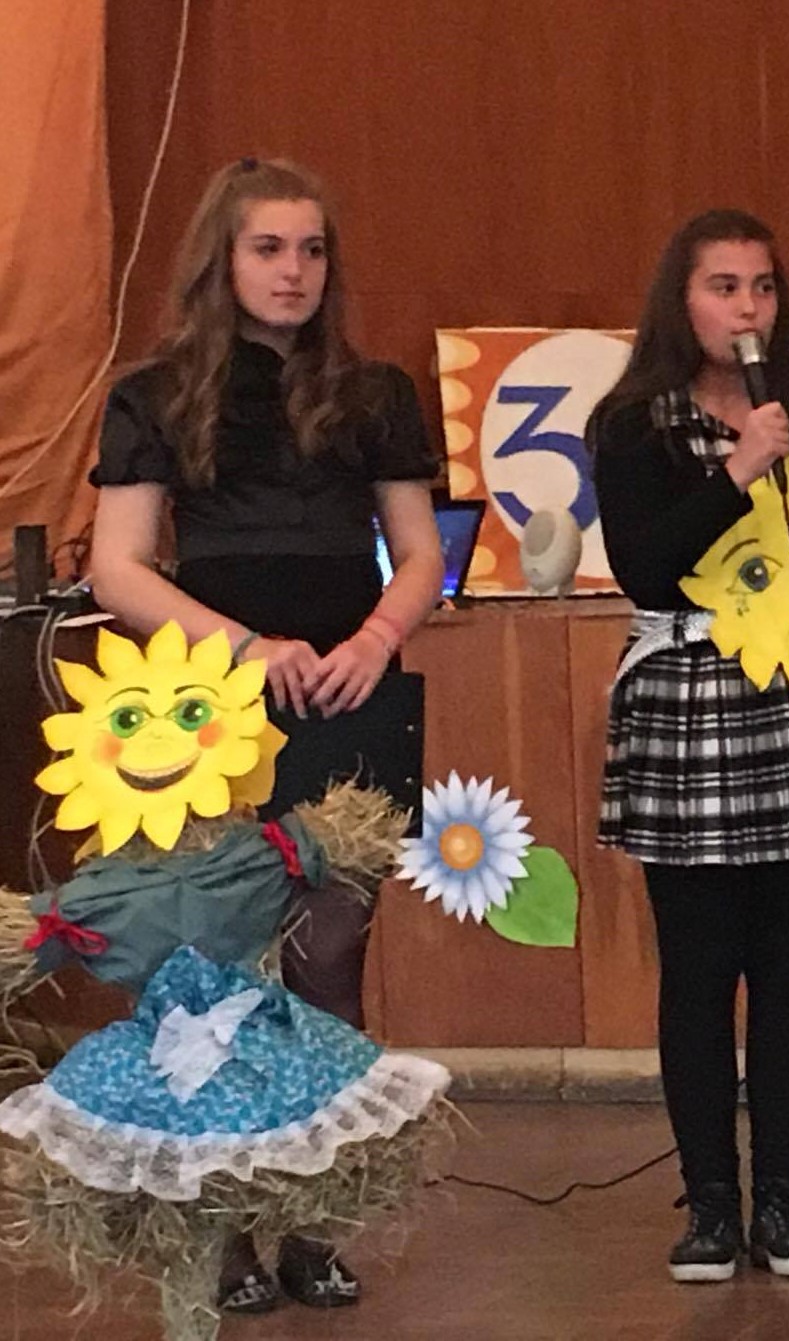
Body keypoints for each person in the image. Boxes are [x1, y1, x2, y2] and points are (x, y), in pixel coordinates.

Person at [86, 156, 444, 1311]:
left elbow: (420, 552)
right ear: (222, 260)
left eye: (312, 250)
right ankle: (224, 1231)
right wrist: (243, 648)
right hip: (212, 709)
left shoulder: (375, 393)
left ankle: (311, 1223)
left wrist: (375, 639)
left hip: (347, 693)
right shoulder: (154, 394)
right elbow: (117, 568)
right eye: (268, 249)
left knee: (329, 961)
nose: (294, 271)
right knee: (218, 970)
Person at [586, 209, 789, 1283]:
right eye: (724, 287)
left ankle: (785, 1201)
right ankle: (711, 1206)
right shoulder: (633, 424)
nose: (747, 307)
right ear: (682, 301)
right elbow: (646, 568)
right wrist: (737, 473)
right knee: (699, 967)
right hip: (689, 697)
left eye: (762, 287)